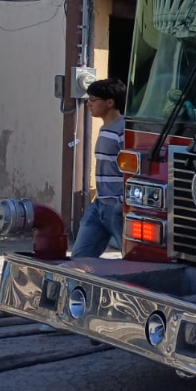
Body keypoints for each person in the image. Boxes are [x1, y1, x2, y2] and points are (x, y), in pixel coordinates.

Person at [72, 78, 126, 258]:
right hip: (99, 206)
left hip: (117, 208)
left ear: (110, 102)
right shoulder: (105, 128)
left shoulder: (123, 130)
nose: (89, 104)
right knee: (79, 259)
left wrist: (121, 201)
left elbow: (133, 171)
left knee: (132, 260)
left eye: (93, 100)